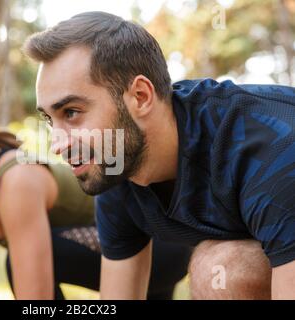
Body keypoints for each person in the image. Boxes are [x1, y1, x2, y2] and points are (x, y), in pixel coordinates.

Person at [24, 11, 295, 299]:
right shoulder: (116, 165)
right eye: (51, 120)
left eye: (72, 113)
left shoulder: (268, 148)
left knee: (223, 270)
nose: (57, 144)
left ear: (140, 96)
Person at [0, 77, 191, 300]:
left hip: (157, 246)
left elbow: (36, 300)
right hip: (112, 257)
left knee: (19, 261)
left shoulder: (16, 178)